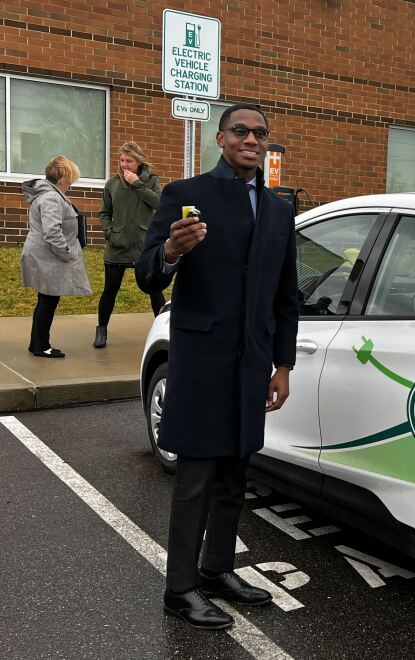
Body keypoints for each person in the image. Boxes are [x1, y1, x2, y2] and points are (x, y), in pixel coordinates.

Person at [136, 103, 299, 630]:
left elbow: (286, 295)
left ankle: (217, 571)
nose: (252, 139)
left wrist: (283, 364)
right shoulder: (186, 196)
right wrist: (170, 251)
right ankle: (179, 588)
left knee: (234, 473)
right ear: (222, 139)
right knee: (197, 478)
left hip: (252, 363)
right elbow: (145, 275)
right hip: (202, 360)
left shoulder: (278, 209)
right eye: (241, 131)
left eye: (260, 133)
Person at [21, 156, 92, 358]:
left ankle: (36, 343)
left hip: (43, 254)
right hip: (48, 256)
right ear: (62, 179)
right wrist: (67, 254)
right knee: (48, 301)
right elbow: (52, 231)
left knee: (44, 299)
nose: (71, 184)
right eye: (71, 180)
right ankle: (42, 346)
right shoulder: (51, 197)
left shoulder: (48, 194)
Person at [94, 142, 164, 348]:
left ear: (139, 161)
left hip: (144, 246)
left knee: (155, 290)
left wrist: (137, 184)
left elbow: (159, 204)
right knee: (110, 290)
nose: (125, 165)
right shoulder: (112, 184)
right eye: (122, 160)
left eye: (129, 161)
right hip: (117, 245)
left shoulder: (151, 181)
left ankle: (163, 332)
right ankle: (101, 330)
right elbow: (104, 212)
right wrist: (109, 232)